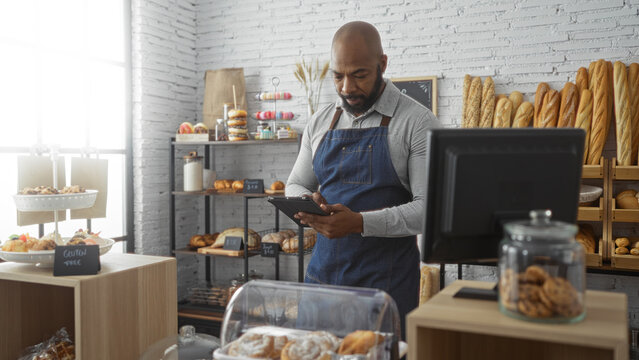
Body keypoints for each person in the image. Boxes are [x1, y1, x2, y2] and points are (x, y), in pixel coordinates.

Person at [286, 21, 441, 337]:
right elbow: (296, 183)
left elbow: (429, 211)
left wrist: (358, 223)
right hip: (322, 282)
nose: (346, 88)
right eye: (338, 76)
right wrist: (306, 203)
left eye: (359, 75)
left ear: (382, 64)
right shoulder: (319, 122)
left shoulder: (417, 122)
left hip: (384, 286)